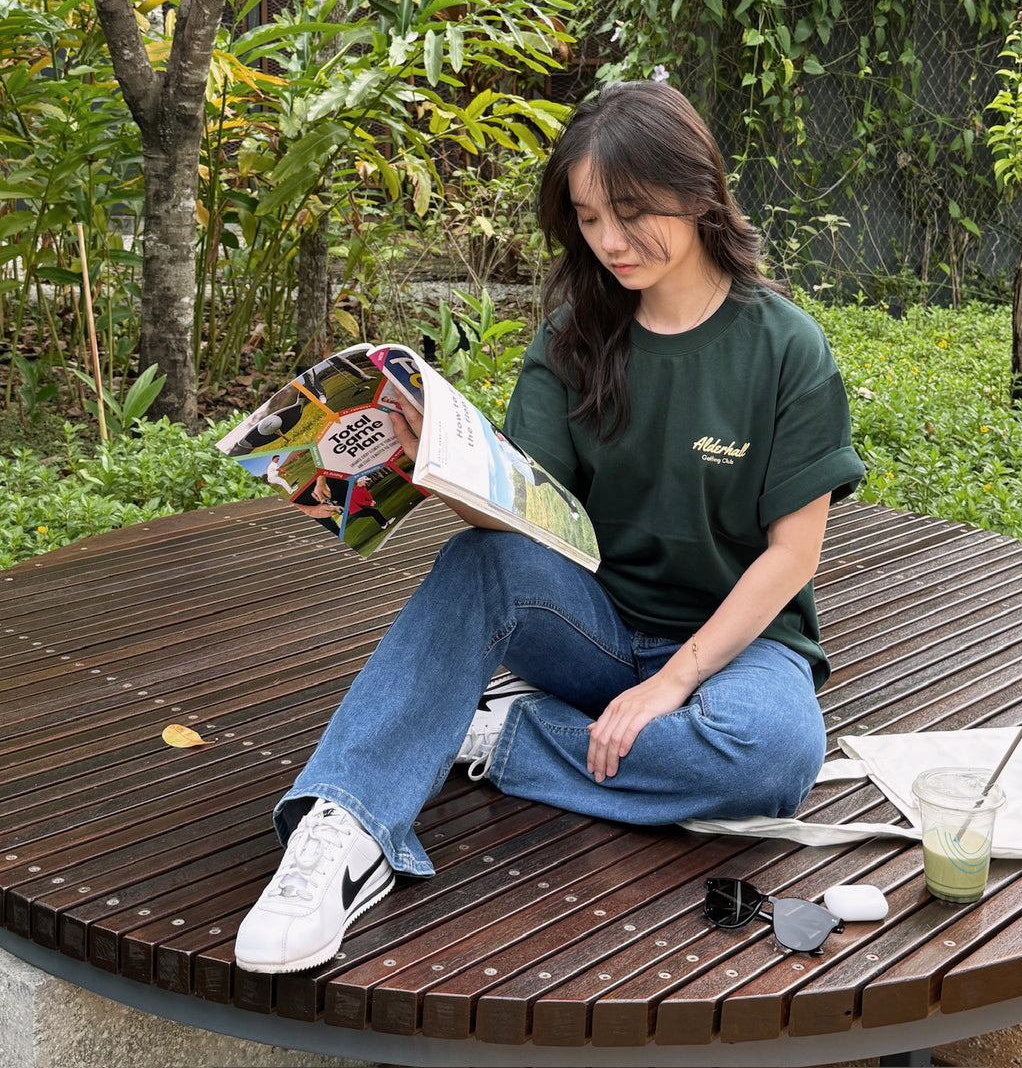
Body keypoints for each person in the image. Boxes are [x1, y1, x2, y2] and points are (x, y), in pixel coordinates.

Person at [234, 80, 865, 974]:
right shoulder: (576, 335)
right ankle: (344, 828)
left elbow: (792, 555)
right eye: (589, 217)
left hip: (737, 643)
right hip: (592, 628)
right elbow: (524, 521)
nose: (610, 241)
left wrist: (672, 684)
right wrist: (430, 460)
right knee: (477, 558)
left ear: (698, 191)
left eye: (633, 211)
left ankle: (502, 738)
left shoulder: (784, 346)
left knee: (775, 756)